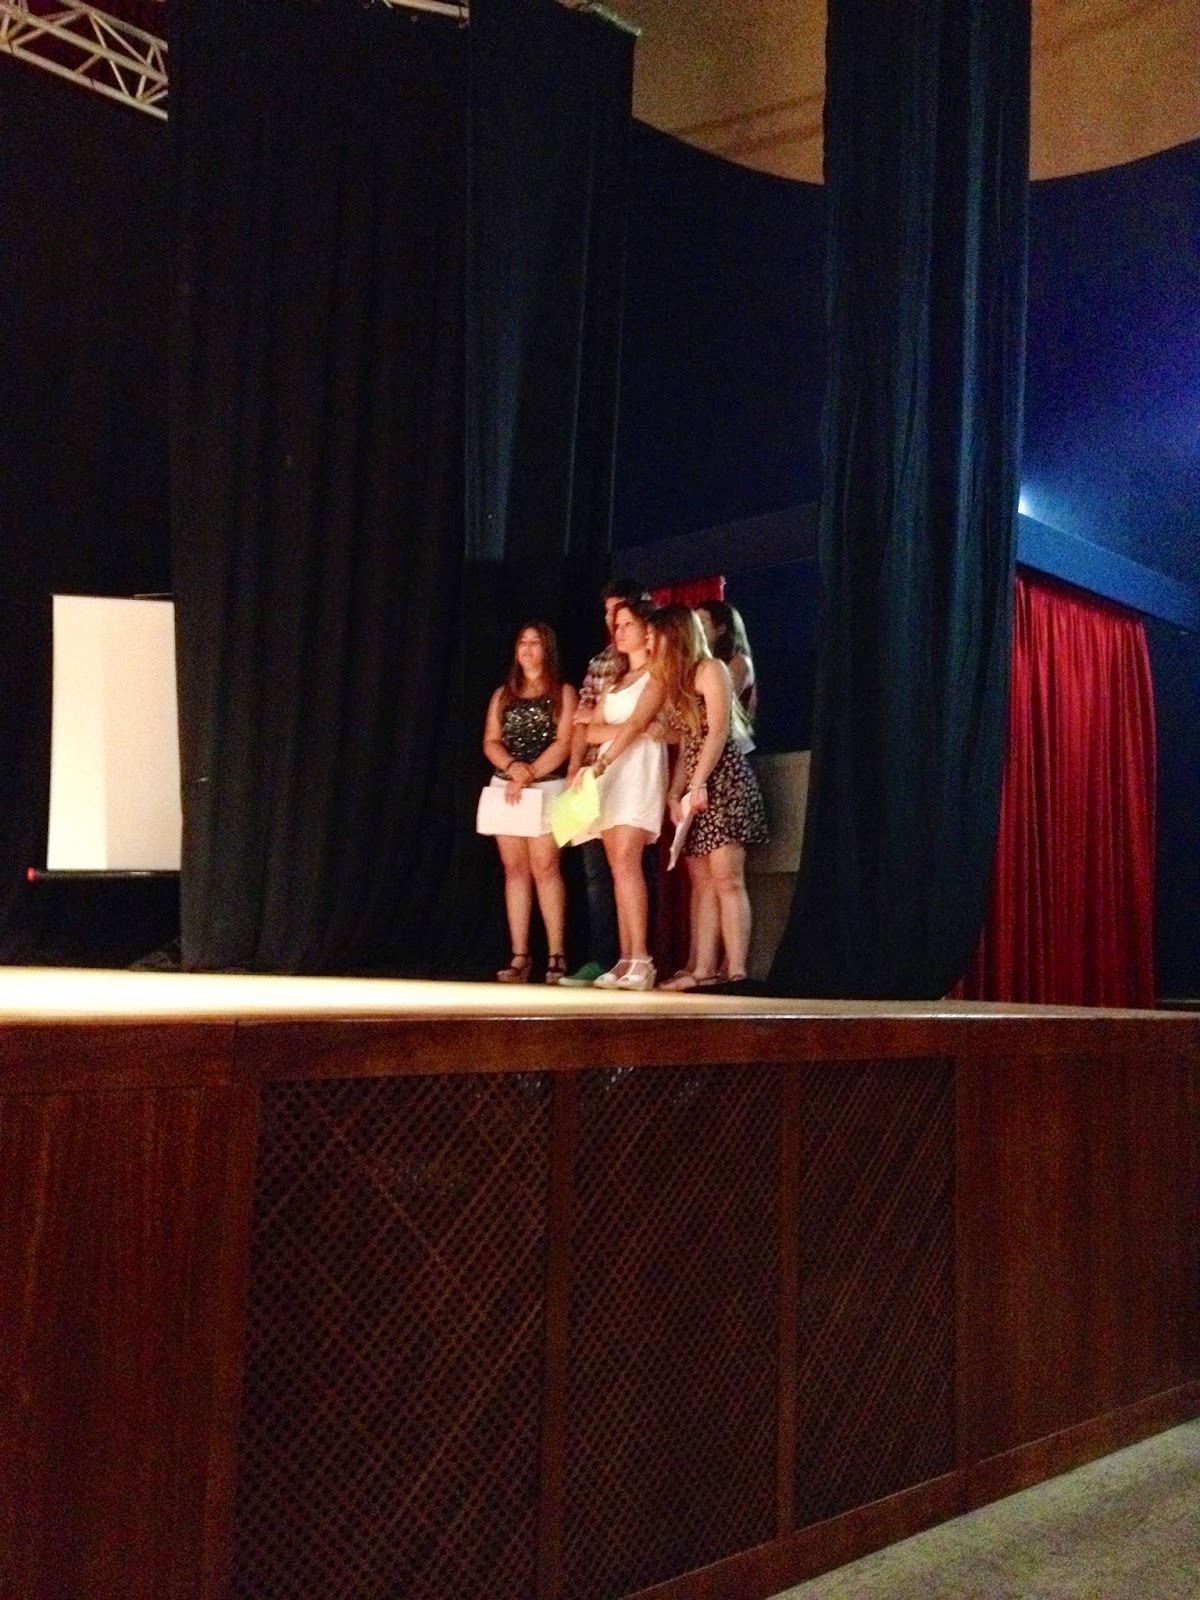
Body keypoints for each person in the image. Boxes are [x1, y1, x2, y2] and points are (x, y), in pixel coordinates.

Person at [651, 604, 767, 990]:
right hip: (697, 788)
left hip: (725, 782)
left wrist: (698, 783)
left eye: (656, 637)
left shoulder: (711, 669)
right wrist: (675, 792)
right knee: (701, 882)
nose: (652, 645)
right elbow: (688, 742)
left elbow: (718, 731)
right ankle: (702, 969)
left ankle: (736, 970)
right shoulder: (679, 680)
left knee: (727, 878)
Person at [559, 578, 652, 986]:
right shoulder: (611, 673)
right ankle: (619, 958)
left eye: (626, 620)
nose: (617, 626)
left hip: (635, 771)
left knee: (629, 865)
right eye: (613, 620)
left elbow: (650, 724)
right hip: (603, 772)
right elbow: (588, 725)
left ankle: (640, 958)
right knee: (609, 870)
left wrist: (631, 731)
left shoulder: (658, 670)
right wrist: (580, 765)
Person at [482, 622, 577, 983]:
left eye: (535, 643)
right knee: (515, 870)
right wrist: (512, 768)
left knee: (546, 867)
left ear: (547, 649)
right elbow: (491, 741)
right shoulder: (503, 694)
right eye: (522, 642)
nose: (527, 648)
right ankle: (520, 954)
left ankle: (556, 954)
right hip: (508, 788)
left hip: (547, 786)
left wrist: (531, 772)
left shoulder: (563, 692)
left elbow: (564, 743)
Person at [697, 600, 758, 729]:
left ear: (721, 629)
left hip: (729, 737)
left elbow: (722, 703)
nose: (696, 629)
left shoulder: (740, 662)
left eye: (702, 622)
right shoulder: (700, 662)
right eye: (694, 623)